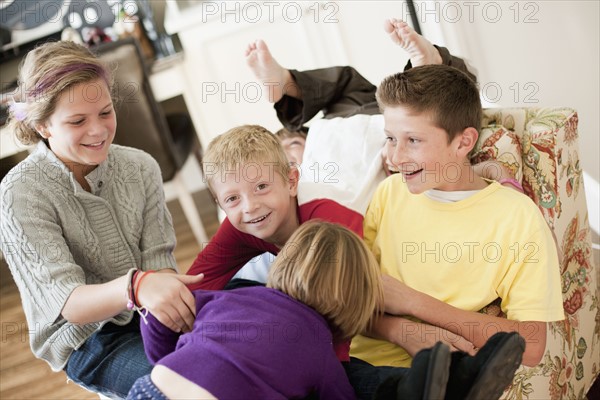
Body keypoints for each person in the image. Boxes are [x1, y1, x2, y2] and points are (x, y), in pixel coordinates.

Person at [0, 41, 203, 398]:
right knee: (185, 383)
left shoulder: (141, 167)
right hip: (87, 340)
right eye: (77, 121)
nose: (98, 131)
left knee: (242, 347)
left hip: (149, 313)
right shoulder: (20, 193)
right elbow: (69, 304)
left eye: (105, 112)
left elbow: (160, 264)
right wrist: (136, 286)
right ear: (43, 125)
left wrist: (172, 309)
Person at [348, 64, 564, 395]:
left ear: (463, 142)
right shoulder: (388, 194)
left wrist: (413, 302)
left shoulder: (516, 217)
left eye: (413, 140)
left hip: (434, 375)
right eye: (390, 138)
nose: (394, 156)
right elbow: (347, 299)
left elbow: (532, 345)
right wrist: (403, 332)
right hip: (356, 361)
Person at [129, 221, 382, 399]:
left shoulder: (229, 297)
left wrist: (166, 359)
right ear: (354, 301)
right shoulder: (322, 351)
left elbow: (155, 314)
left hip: (150, 388)